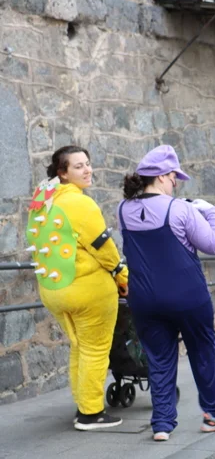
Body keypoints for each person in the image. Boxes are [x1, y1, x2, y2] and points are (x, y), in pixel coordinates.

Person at [118, 145, 215, 442]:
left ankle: (162, 423)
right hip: (187, 296)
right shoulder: (181, 209)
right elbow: (213, 245)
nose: (176, 183)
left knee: (159, 358)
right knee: (202, 350)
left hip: (145, 299)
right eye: (174, 177)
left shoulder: (123, 209)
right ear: (161, 176)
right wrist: (210, 213)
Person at [27, 146, 129, 431]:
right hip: (88, 291)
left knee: (79, 347)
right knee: (95, 349)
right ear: (63, 173)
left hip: (54, 290)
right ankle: (91, 414)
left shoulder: (42, 201)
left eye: (88, 163)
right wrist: (122, 276)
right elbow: (103, 247)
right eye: (79, 166)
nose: (88, 170)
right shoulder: (81, 203)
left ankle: (84, 404)